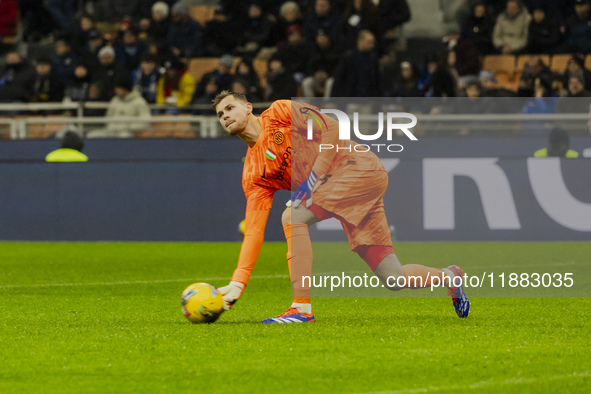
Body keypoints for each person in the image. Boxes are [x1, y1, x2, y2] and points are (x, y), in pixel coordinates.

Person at [213, 91, 471, 323]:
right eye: (220, 114)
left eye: (229, 108)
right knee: (394, 278)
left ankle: (301, 308)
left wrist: (314, 177)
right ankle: (450, 276)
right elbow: (254, 231)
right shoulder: (253, 173)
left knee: (293, 216)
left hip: (357, 167)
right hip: (342, 186)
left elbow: (332, 127)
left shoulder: (280, 111)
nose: (225, 116)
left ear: (247, 107)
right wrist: (238, 281)